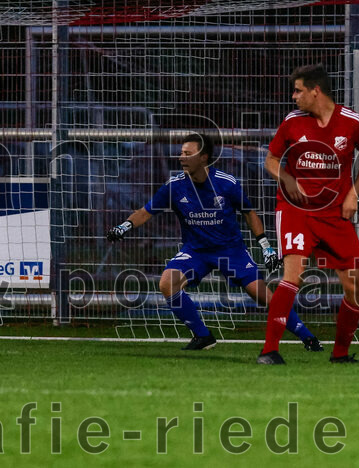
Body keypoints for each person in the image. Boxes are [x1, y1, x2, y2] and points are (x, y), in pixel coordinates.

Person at [107, 134, 321, 352]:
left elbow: (249, 213)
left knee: (262, 295)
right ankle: (203, 335)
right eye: (181, 152)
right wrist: (123, 227)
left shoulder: (226, 183)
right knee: (166, 283)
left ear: (204, 158)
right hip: (196, 251)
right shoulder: (174, 186)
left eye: (188, 153)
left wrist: (266, 247)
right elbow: (145, 212)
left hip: (230, 250)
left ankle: (308, 338)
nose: (181, 157)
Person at [258, 64, 359, 365]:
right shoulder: (292, 122)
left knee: (356, 285)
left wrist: (353, 193)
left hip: (335, 214)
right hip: (296, 210)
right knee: (293, 275)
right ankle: (269, 351)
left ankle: (339, 354)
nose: (293, 96)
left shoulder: (352, 122)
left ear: (316, 91)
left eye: (298, 90)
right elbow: (271, 160)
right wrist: (286, 178)